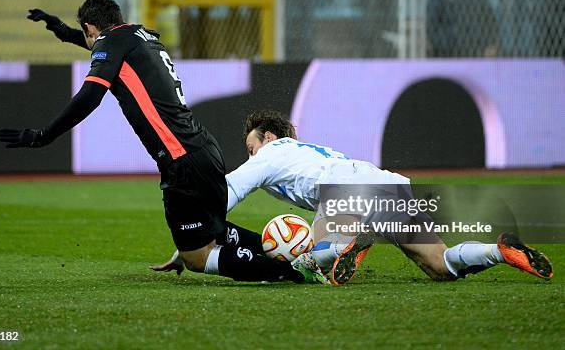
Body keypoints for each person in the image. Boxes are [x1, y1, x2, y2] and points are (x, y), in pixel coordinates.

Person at [0, 0, 332, 285]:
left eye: (85, 34)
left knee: (197, 257)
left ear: (90, 27)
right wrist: (61, 31)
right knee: (211, 233)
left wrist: (43, 136)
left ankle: (293, 272)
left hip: (179, 159)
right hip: (203, 149)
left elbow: (89, 96)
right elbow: (98, 43)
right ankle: (292, 253)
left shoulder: (111, 44)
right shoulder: (140, 36)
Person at [154, 110, 554, 283]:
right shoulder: (306, 151)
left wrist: (192, 243)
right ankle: (499, 252)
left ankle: (344, 250)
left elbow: (228, 192)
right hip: (387, 183)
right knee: (440, 266)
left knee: (305, 263)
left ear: (269, 137)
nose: (250, 154)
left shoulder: (274, 152)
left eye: (251, 147)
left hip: (346, 192)